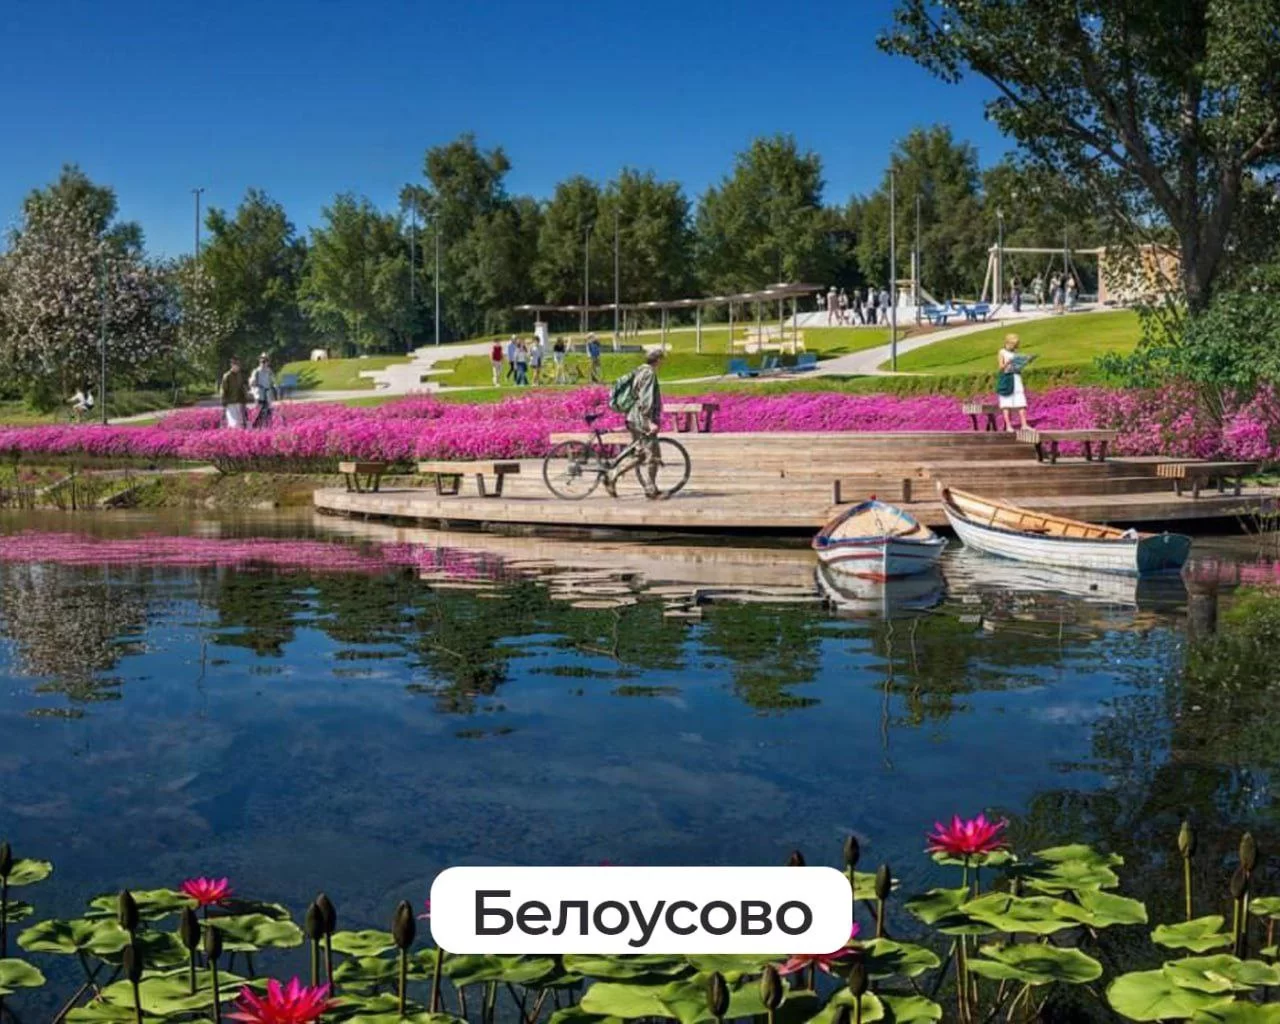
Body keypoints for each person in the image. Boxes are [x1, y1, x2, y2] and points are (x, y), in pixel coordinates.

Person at [608, 348, 666, 500]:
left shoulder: (639, 370)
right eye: (662, 359)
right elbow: (646, 400)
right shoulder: (649, 373)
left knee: (640, 455)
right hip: (641, 419)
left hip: (632, 417)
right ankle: (651, 489)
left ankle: (613, 476)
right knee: (653, 455)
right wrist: (649, 421)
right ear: (658, 360)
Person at [996, 333, 1036, 432]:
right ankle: (1008, 426)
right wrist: (1008, 362)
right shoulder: (1002, 352)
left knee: (1021, 402)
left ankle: (1024, 425)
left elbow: (1018, 366)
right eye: (1013, 345)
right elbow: (1000, 367)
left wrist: (1025, 361)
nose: (1015, 347)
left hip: (1016, 377)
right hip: (1007, 378)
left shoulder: (1015, 353)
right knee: (1006, 403)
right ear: (1008, 343)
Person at [249, 352, 277, 428]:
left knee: (269, 411)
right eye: (262, 361)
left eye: (265, 361)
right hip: (260, 394)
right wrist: (253, 382)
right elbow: (251, 382)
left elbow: (273, 381)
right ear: (260, 362)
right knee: (259, 410)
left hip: (267, 393)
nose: (264, 363)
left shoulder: (269, 371)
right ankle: (256, 425)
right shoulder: (256, 371)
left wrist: (275, 386)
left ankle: (267, 425)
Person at [220, 356, 249, 429]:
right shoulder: (227, 376)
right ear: (232, 365)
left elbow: (242, 387)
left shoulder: (240, 375)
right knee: (234, 423)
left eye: (239, 365)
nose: (238, 367)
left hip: (239, 401)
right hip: (230, 402)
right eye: (236, 365)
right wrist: (223, 401)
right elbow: (223, 389)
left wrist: (245, 397)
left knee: (240, 423)